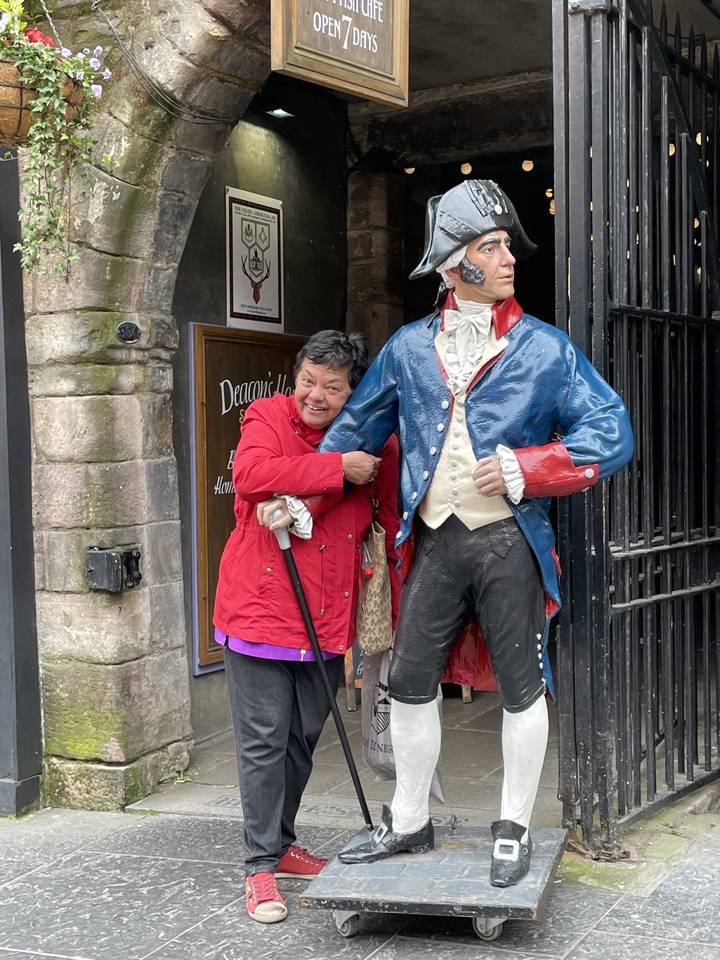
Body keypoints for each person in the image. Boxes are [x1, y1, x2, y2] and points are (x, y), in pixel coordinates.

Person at [316, 180, 634, 886]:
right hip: (435, 540)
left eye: (505, 246)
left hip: (507, 540)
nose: (508, 258)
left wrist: (528, 467)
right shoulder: (407, 348)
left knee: (523, 686)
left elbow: (613, 432)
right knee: (408, 679)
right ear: (452, 264)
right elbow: (352, 430)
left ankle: (513, 826)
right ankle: (408, 819)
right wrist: (305, 491)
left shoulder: (546, 348)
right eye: (490, 247)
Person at [213, 330, 400, 923]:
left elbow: (389, 510)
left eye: (333, 387)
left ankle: (282, 843)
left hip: (327, 616)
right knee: (264, 741)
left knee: (300, 739)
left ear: (353, 392)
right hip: (262, 610)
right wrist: (337, 467)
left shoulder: (374, 441)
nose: (316, 396)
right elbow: (252, 475)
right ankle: (258, 867)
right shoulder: (267, 417)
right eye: (308, 382)